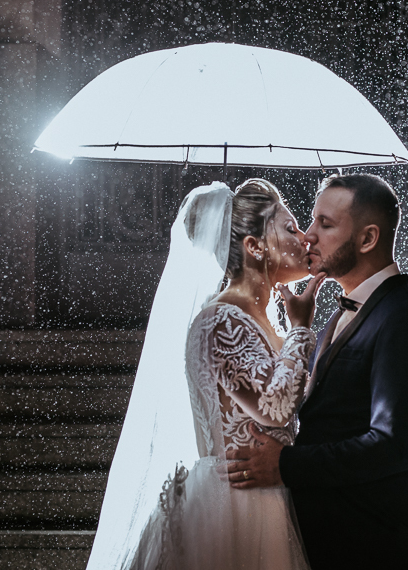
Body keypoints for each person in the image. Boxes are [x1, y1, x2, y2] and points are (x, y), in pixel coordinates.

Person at [85, 179, 324, 570]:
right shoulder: (221, 321)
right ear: (255, 247)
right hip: (235, 507)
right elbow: (275, 407)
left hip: (265, 493)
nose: (304, 239)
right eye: (290, 228)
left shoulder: (255, 318)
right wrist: (301, 330)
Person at [226, 173, 408, 570]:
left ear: (367, 239)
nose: (308, 236)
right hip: (329, 544)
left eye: (325, 225)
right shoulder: (340, 313)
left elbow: (391, 445)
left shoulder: (406, 320)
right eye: (311, 221)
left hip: (375, 549)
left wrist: (285, 465)